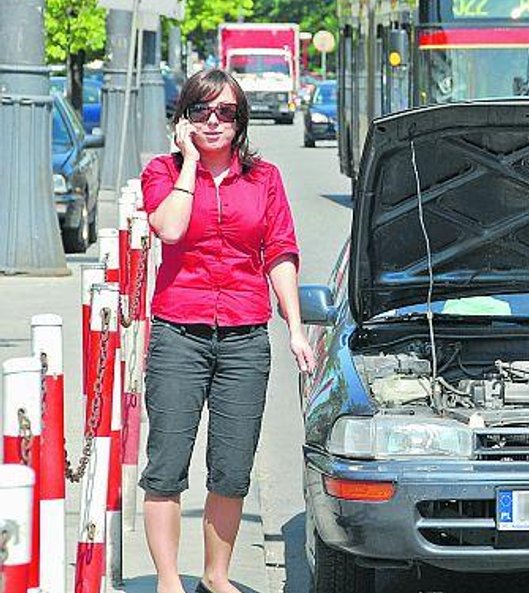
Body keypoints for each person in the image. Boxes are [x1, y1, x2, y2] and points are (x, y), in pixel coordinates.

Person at [139, 68, 316, 593]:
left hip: (244, 336)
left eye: (226, 113)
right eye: (201, 111)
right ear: (184, 117)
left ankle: (216, 578)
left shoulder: (265, 179)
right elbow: (169, 227)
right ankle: (170, 582)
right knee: (167, 464)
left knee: (233, 466)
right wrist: (190, 165)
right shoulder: (162, 172)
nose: (213, 122)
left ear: (241, 122)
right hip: (178, 334)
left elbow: (280, 251)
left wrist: (296, 329)